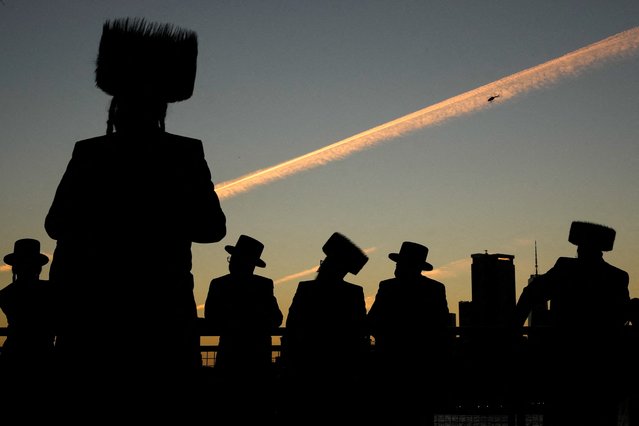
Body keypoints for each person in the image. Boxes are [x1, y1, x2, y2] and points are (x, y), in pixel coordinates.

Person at [44, 18, 227, 396]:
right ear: (161, 110)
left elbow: (56, 223)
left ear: (115, 109)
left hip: (96, 311)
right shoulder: (185, 153)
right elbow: (212, 228)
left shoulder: (90, 152)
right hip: (163, 307)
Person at [512, 221, 630, 426]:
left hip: (565, 360)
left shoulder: (565, 269)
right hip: (602, 362)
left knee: (561, 415)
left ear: (580, 247)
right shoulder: (617, 277)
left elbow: (530, 293)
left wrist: (513, 328)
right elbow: (622, 316)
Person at [282, 232, 369, 426]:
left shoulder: (305, 289)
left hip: (307, 364)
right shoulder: (354, 293)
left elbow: (292, 324)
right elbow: (359, 330)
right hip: (341, 366)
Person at [367, 241, 451, 426]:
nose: (396, 267)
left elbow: (372, 321)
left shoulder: (388, 287)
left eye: (398, 263)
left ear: (404, 265)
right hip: (423, 364)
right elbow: (442, 325)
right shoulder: (435, 289)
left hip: (390, 361)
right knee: (421, 415)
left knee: (391, 414)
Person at [204, 234, 283, 424]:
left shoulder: (219, 284)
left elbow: (210, 318)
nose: (231, 262)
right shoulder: (264, 285)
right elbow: (276, 319)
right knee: (257, 409)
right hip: (258, 356)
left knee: (228, 408)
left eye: (234, 258)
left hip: (229, 354)